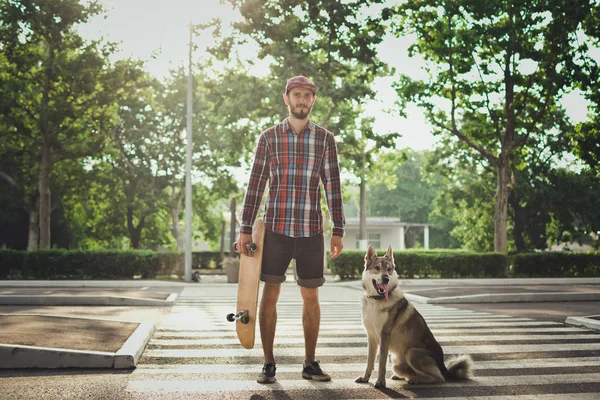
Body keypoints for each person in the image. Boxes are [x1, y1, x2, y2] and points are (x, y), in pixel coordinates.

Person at [236, 75, 345, 384]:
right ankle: (269, 363)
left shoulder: (325, 139)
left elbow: (332, 185)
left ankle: (310, 363)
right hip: (276, 229)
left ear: (313, 100)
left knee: (311, 296)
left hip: (311, 230)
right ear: (287, 98)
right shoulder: (269, 137)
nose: (302, 100)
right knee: (269, 293)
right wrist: (245, 228)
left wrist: (338, 229)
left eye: (307, 95)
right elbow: (255, 183)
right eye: (296, 94)